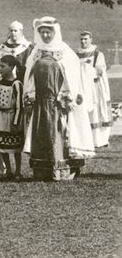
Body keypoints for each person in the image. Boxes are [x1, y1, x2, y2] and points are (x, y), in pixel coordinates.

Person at [23, 16, 95, 181]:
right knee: (41, 134)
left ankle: (65, 169)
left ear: (55, 32)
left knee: (61, 134)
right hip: (41, 103)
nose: (46, 36)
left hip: (60, 103)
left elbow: (73, 76)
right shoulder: (36, 52)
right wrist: (30, 96)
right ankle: (43, 170)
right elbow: (29, 75)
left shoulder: (65, 52)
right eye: (42, 32)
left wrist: (67, 98)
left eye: (48, 32)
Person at [76, 31, 112, 148]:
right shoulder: (77, 54)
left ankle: (99, 140)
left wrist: (86, 69)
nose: (83, 41)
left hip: (94, 88)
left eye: (86, 39)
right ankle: (86, 138)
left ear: (91, 39)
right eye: (81, 39)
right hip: (81, 88)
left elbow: (100, 70)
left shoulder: (97, 54)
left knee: (96, 112)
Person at [0, 55, 24, 181]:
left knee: (15, 147)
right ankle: (8, 170)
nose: (0, 69)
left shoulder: (16, 84)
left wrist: (16, 122)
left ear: (11, 67)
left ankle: (18, 171)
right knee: (2, 146)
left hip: (11, 117)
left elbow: (19, 106)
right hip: (0, 116)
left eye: (3, 66)